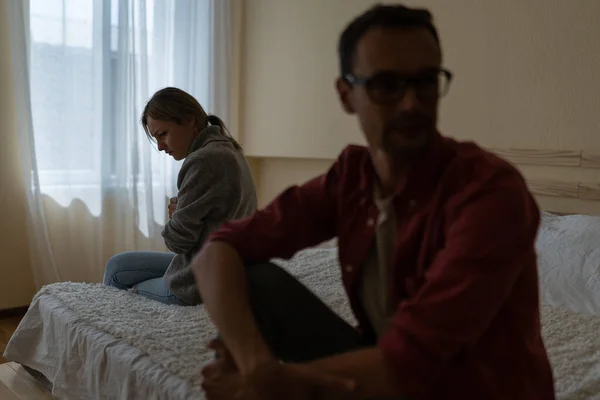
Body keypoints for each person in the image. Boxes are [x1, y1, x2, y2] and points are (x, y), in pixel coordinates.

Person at [193, 4, 556, 400]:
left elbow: (412, 360)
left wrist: (272, 387)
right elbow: (218, 249)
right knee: (256, 281)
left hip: (470, 387)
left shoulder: (489, 191)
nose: (411, 104)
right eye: (387, 85)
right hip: (390, 367)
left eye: (425, 82)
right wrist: (258, 368)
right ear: (346, 95)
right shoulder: (353, 177)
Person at [103, 87, 257, 306]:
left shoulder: (204, 160)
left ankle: (110, 327)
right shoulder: (228, 149)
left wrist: (176, 216)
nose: (160, 146)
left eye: (163, 134)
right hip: (228, 267)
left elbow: (178, 241)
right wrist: (184, 209)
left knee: (123, 283)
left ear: (189, 121)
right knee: (117, 265)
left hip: (205, 281)